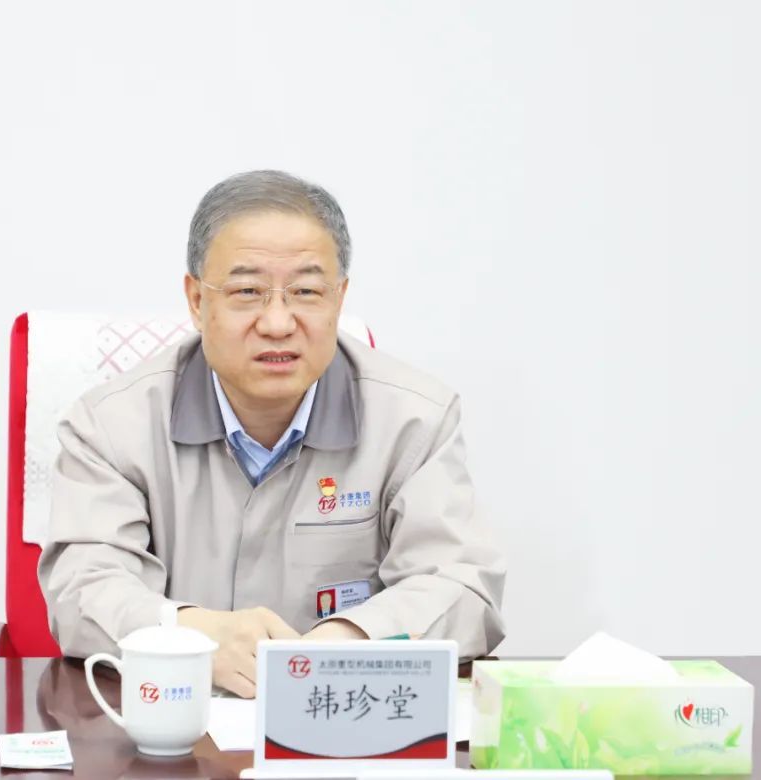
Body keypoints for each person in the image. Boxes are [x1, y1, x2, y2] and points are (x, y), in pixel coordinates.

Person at [39, 170, 506, 698]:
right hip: (173, 719)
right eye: (247, 291)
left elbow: (462, 585)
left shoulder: (415, 420)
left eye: (306, 291)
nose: (278, 323)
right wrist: (190, 636)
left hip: (340, 714)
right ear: (196, 301)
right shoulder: (111, 425)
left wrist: (349, 641)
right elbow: (83, 589)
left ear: (339, 298)